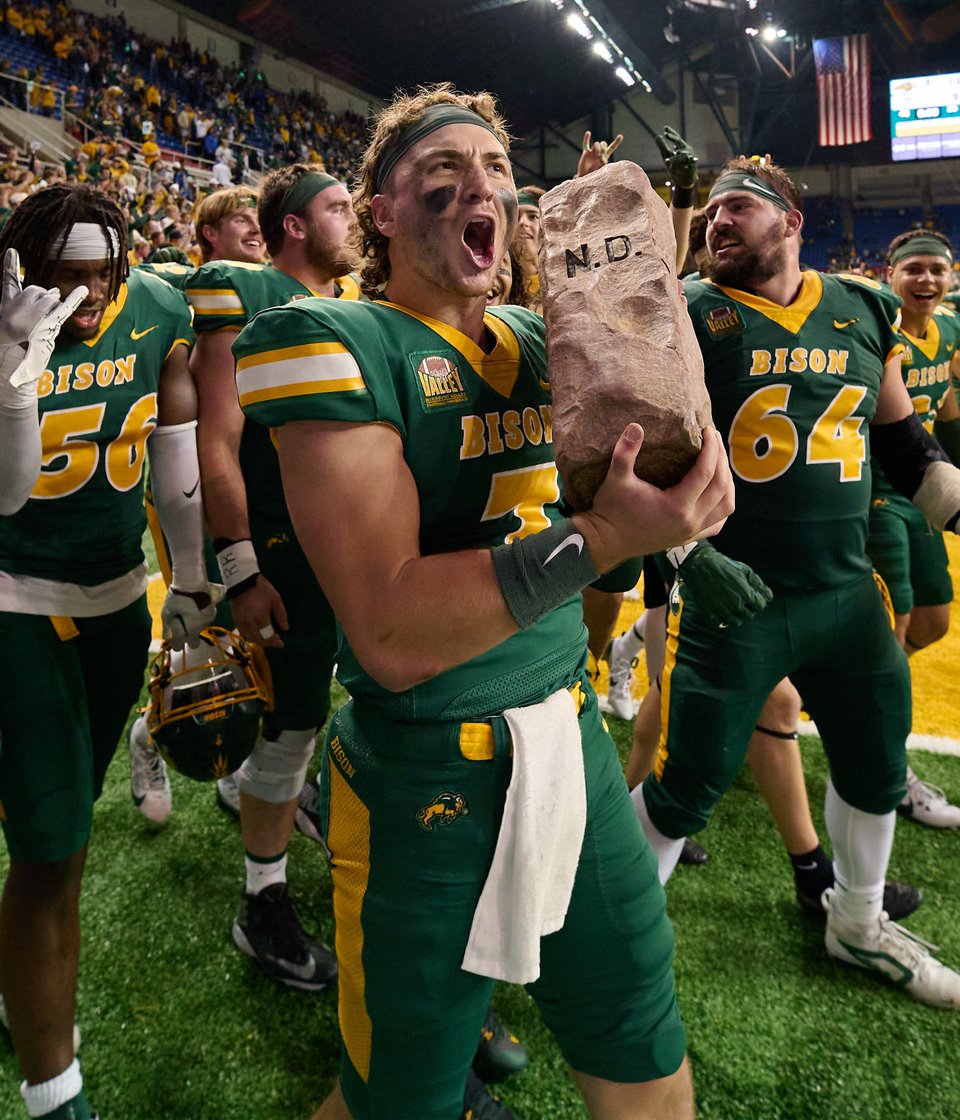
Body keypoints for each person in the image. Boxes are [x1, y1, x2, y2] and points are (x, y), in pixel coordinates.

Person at [233, 84, 734, 1120]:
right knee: (396, 1099)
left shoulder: (542, 337)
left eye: (499, 168)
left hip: (569, 738)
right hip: (429, 766)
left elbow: (655, 453)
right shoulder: (331, 338)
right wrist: (600, 540)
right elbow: (391, 630)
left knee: (639, 1039)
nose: (484, 186)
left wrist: (677, 441)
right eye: (443, 171)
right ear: (379, 210)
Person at [634, 156, 960, 1007]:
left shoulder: (862, 309)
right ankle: (613, 934)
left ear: (790, 222)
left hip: (846, 593)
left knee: (875, 760)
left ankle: (856, 923)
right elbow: (626, 460)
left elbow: (902, 443)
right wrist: (685, 558)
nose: (718, 222)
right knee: (685, 789)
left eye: (738, 207)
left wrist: (953, 505)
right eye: (710, 213)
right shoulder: (686, 316)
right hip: (735, 597)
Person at [0, 185, 217, 1120]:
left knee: (67, 838)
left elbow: (177, 459)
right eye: (67, 276)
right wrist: (17, 359)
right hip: (14, 598)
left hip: (117, 600)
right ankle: (53, 1091)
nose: (89, 294)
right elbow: (8, 494)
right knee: (50, 850)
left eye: (103, 273)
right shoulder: (8, 323)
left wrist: (199, 586)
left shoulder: (159, 308)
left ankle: (18, 986)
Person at [186, 165, 359, 992]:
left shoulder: (361, 301)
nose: (351, 219)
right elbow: (219, 442)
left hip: (356, 550)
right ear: (293, 225)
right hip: (282, 554)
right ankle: (262, 900)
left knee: (342, 716)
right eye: (336, 208)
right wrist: (241, 567)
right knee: (287, 725)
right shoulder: (243, 294)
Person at [128, 185, 266, 823]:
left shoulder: (266, 288)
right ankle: (147, 738)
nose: (255, 228)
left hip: (249, 483)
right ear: (209, 232)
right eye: (242, 219)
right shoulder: (174, 289)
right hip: (188, 488)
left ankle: (241, 754)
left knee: (251, 634)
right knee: (197, 632)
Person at [869, 229, 960, 827]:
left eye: (937, 270)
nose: (926, 280)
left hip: (922, 487)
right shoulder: (877, 326)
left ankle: (854, 698)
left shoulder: (949, 329)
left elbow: (948, 408)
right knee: (893, 622)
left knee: (931, 621)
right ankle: (886, 764)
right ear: (891, 273)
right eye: (914, 270)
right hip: (876, 490)